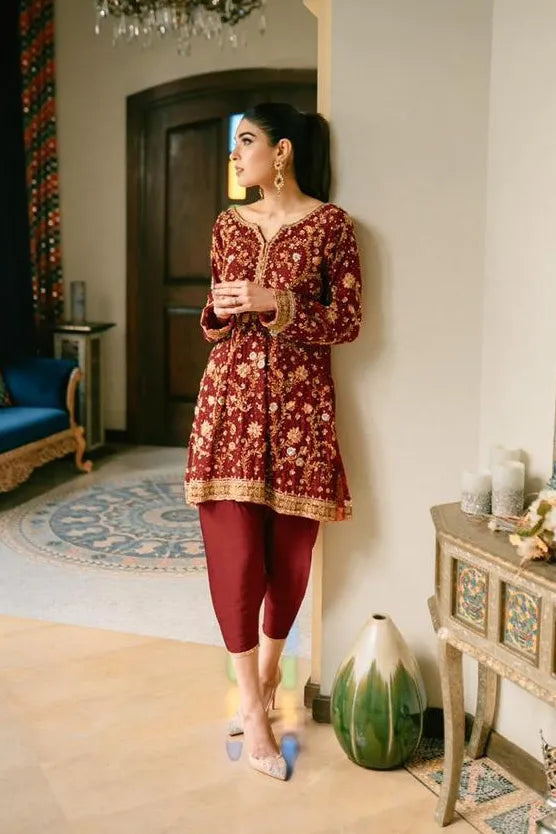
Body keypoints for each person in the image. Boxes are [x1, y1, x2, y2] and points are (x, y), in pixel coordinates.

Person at [184, 102, 362, 781]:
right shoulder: (227, 224)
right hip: (227, 406)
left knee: (289, 561)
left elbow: (347, 321)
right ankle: (253, 713)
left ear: (281, 151)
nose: (236, 156)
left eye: (246, 142)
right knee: (233, 556)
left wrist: (277, 303)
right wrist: (221, 309)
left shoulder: (332, 227)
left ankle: (265, 680)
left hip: (301, 415)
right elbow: (213, 317)